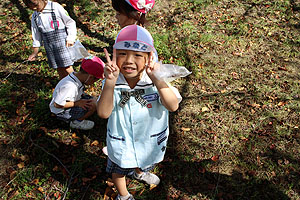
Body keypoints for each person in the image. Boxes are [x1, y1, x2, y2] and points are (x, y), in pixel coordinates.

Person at [97, 25, 182, 200]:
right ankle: (123, 195)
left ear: (149, 58)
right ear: (114, 55)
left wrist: (158, 80)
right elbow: (103, 113)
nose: (128, 60)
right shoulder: (113, 81)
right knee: (118, 170)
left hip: (148, 140)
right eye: (122, 53)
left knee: (144, 160)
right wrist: (110, 83)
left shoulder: (155, 80)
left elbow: (172, 106)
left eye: (137, 55)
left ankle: (138, 172)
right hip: (121, 141)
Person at [23, 0, 77, 80]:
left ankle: (78, 86)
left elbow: (70, 22)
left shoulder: (54, 7)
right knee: (59, 68)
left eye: (36, 5)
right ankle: (64, 86)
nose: (35, 8)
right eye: (31, 7)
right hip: (49, 45)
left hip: (62, 43)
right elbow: (36, 35)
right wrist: (34, 52)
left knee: (67, 67)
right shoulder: (35, 16)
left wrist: (71, 38)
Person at [50, 56, 104, 130]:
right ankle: (77, 122)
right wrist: (77, 103)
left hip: (72, 101)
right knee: (92, 106)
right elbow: (58, 104)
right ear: (91, 77)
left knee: (94, 100)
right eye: (95, 80)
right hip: (62, 111)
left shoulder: (77, 78)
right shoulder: (70, 86)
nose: (93, 83)